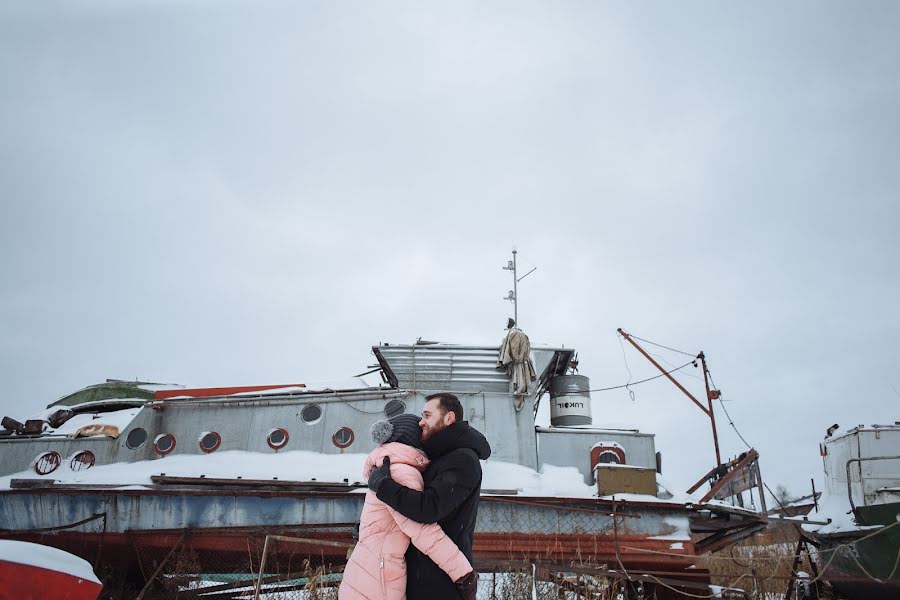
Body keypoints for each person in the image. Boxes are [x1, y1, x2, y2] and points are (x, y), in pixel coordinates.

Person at [367, 393, 491, 600]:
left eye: (427, 415)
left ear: (449, 418)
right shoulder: (439, 457)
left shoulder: (463, 459)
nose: (421, 422)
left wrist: (383, 486)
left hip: (441, 583)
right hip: (423, 575)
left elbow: (429, 508)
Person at [339, 413, 474, 600]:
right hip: (380, 576)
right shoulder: (402, 472)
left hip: (367, 569)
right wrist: (463, 573)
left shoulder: (386, 467)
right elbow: (421, 529)